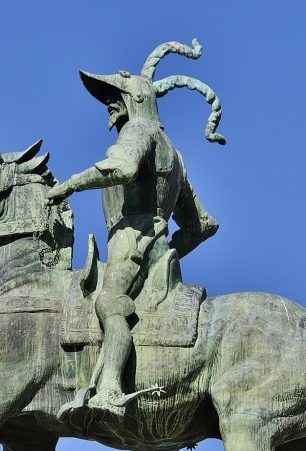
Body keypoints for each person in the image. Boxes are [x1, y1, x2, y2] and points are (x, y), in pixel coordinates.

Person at [47, 40, 224, 417]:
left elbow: (123, 168)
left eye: (114, 96)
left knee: (109, 303)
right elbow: (201, 225)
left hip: (131, 241)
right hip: (153, 247)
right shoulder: (174, 154)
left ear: (135, 100)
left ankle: (109, 388)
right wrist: (166, 251)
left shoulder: (139, 131)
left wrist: (69, 184)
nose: (109, 104)